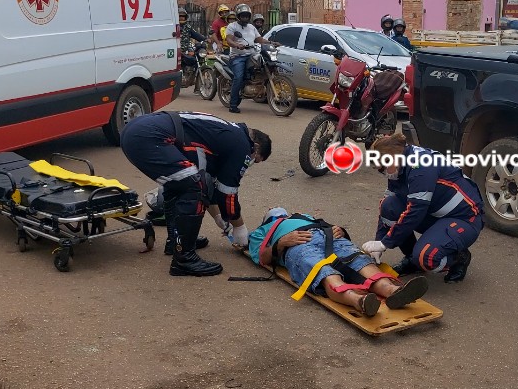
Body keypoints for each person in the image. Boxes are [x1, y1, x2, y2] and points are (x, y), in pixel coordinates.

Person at [120, 111, 271, 277]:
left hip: (138, 132)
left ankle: (176, 242)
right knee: (193, 186)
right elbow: (227, 192)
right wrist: (239, 227)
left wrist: (219, 219)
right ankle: (184, 259)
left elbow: (211, 185)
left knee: (180, 184)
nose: (250, 163)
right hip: (149, 136)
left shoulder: (226, 134)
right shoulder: (243, 145)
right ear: (255, 147)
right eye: (254, 160)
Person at [248, 208, 429, 316]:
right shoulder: (262, 231)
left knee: (358, 260)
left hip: (327, 236)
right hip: (297, 246)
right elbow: (262, 258)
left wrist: (339, 230)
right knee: (324, 271)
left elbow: (329, 227)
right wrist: (280, 242)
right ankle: (360, 301)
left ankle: (393, 291)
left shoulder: (303, 216)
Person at [360, 134, 483, 283]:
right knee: (390, 206)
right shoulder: (400, 166)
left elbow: (415, 210)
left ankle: (458, 257)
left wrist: (385, 243)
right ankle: (412, 259)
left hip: (464, 218)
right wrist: (378, 242)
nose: (383, 173)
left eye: (383, 168)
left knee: (426, 258)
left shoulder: (421, 166)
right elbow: (388, 208)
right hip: (435, 213)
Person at [223, 4, 278, 114]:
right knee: (238, 77)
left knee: (263, 66)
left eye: (247, 16)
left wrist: (272, 43)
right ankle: (233, 104)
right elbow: (228, 40)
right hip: (237, 57)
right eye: (242, 16)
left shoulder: (252, 27)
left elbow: (259, 39)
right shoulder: (232, 26)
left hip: (251, 54)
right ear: (238, 16)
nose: (245, 18)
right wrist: (236, 45)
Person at [178, 8, 207, 94]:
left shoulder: (188, 27)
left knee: (197, 59)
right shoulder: (173, 26)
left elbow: (196, 35)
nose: (181, 18)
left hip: (187, 49)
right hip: (177, 50)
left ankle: (196, 86)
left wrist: (205, 39)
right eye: (180, 16)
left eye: (183, 16)